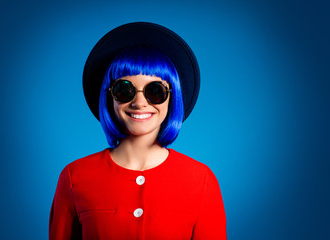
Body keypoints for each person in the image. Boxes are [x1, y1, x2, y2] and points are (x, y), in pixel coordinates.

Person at [49, 22, 226, 240]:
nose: (139, 103)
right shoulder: (75, 177)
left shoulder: (201, 180)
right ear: (109, 96)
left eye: (155, 91)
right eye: (125, 90)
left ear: (172, 98)